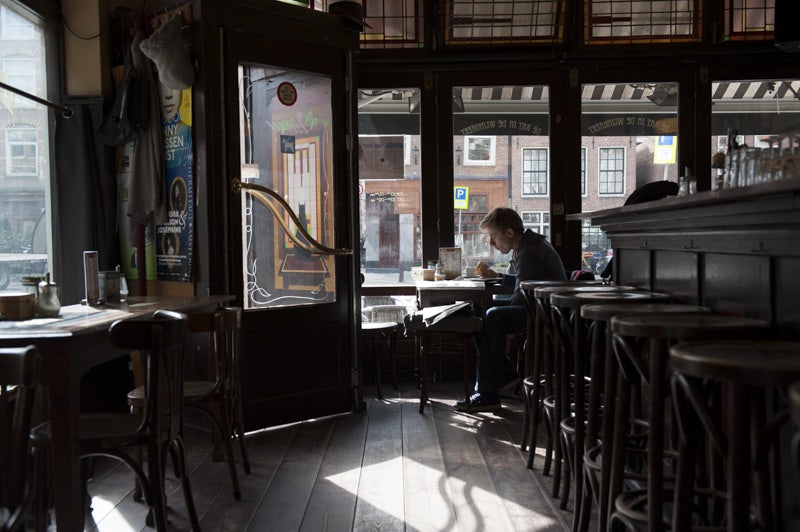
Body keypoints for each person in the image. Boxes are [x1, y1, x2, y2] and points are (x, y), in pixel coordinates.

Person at [456, 207, 567, 412]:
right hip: (539, 308)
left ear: (508, 233)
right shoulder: (527, 246)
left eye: (493, 236)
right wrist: (498, 277)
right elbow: (524, 283)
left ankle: (488, 392)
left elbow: (521, 298)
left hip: (548, 315)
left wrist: (506, 332)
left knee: (492, 316)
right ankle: (506, 377)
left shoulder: (530, 251)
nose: (492, 243)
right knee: (479, 311)